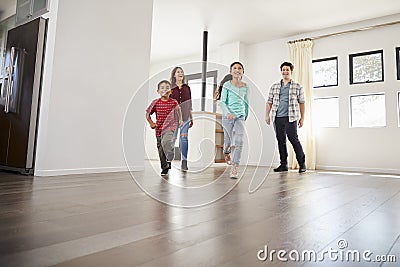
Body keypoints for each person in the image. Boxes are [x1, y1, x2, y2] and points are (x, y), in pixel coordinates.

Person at [265, 62, 306, 173]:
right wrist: (267, 115)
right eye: (283, 70)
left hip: (291, 117)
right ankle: (283, 164)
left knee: (293, 139)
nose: (285, 72)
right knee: (281, 140)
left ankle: (302, 164)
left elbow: (302, 103)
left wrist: (302, 118)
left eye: (287, 70)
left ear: (291, 71)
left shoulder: (297, 86)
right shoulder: (275, 86)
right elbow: (269, 102)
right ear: (281, 71)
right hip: (277, 117)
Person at [146, 80, 183, 176]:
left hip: (170, 126)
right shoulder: (155, 102)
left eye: (167, 87)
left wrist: (181, 120)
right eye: (162, 88)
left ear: (170, 91)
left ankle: (170, 155)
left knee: (166, 142)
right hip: (159, 128)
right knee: (160, 148)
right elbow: (147, 114)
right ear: (158, 91)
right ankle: (165, 166)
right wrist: (151, 123)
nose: (165, 89)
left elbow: (179, 111)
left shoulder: (173, 102)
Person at [220, 62, 249, 179]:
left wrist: (245, 115)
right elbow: (222, 101)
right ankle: (226, 151)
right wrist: (227, 113)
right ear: (231, 71)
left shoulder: (245, 86)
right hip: (228, 117)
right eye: (235, 68)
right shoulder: (227, 85)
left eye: (240, 68)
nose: (237, 70)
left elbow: (246, 102)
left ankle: (235, 167)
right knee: (228, 140)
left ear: (243, 72)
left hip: (240, 117)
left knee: (239, 141)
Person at [170, 67, 193, 171]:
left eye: (182, 72)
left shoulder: (187, 88)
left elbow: (189, 103)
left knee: (184, 139)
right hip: (173, 118)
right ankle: (168, 161)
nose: (180, 73)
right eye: (178, 72)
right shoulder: (170, 88)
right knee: (172, 139)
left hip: (185, 117)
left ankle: (184, 162)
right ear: (174, 75)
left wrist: (191, 117)